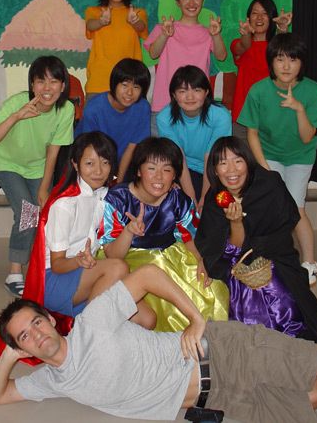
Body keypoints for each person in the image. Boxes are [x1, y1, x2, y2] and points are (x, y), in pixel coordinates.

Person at [0, 265, 317, 422]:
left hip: (221, 351)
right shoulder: (52, 381)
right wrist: (9, 353)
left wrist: (197, 319)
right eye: (25, 337)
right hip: (218, 399)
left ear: (50, 318)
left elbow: (148, 274)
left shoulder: (91, 322)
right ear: (24, 349)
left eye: (37, 322)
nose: (38, 334)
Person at [195, 136, 317, 343]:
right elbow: (216, 244)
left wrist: (253, 241)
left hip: (274, 257)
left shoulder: (269, 185)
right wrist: (235, 224)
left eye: (238, 161)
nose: (232, 170)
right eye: (223, 163)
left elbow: (282, 230)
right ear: (214, 170)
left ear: (248, 163)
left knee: (280, 292)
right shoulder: (216, 198)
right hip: (234, 263)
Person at [21, 131, 155, 330]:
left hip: (86, 273)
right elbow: (57, 265)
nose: (98, 171)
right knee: (117, 268)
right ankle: (87, 333)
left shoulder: (105, 195)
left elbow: (138, 192)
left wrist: (129, 229)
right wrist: (78, 261)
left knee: (147, 319)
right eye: (90, 163)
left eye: (105, 163)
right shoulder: (65, 204)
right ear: (75, 164)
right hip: (54, 281)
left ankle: (94, 323)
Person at [97, 137, 229, 331]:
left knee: (211, 288)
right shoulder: (118, 199)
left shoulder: (178, 200)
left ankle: (205, 338)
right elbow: (112, 255)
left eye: (167, 170)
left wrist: (201, 260)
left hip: (170, 256)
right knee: (163, 290)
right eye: (151, 168)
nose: (159, 177)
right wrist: (129, 231)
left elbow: (188, 238)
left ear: (175, 175)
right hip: (129, 260)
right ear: (139, 171)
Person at [0, 56, 74, 297]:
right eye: (41, 81)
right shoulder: (17, 103)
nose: (47, 88)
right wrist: (16, 116)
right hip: (7, 163)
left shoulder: (66, 109)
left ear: (63, 86)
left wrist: (44, 187)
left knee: (43, 212)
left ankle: (42, 265)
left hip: (38, 168)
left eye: (54, 81)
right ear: (32, 84)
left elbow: (53, 152)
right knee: (28, 212)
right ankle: (14, 273)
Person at [237, 33, 317, 285]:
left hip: (300, 156)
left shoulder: (312, 90)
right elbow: (251, 133)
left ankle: (309, 263)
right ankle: (264, 260)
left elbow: (307, 137)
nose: (286, 66)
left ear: (302, 63)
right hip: (269, 154)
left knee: (295, 207)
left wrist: (299, 109)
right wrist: (264, 167)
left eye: (293, 59)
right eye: (280, 59)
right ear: (271, 62)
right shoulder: (259, 90)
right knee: (270, 207)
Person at [144, 0, 227, 134]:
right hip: (165, 102)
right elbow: (153, 53)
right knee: (162, 149)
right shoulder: (165, 28)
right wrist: (164, 35)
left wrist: (216, 35)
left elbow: (221, 56)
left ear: (202, 0)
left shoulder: (208, 32)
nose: (191, 3)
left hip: (196, 104)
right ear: (177, 2)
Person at [156, 65, 231, 211]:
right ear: (174, 95)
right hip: (183, 169)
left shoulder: (221, 115)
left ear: (206, 92)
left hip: (215, 168)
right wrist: (191, 199)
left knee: (215, 204)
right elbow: (178, 156)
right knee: (178, 204)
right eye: (182, 91)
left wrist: (204, 198)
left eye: (196, 90)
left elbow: (212, 156)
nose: (190, 97)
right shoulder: (164, 118)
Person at [74, 58, 151, 182]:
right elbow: (90, 150)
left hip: (122, 162)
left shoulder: (142, 108)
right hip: (91, 159)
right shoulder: (94, 108)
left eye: (136, 87)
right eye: (124, 85)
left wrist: (117, 182)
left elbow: (131, 148)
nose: (130, 92)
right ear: (114, 84)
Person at [230, 0, 292, 141]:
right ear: (248, 18)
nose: (259, 17)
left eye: (264, 13)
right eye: (255, 13)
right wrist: (246, 34)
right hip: (243, 118)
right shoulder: (238, 44)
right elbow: (244, 46)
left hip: (272, 117)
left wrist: (282, 29)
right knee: (242, 155)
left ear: (272, 18)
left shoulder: (275, 47)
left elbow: (282, 50)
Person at [84, 0, 148, 98]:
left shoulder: (137, 13)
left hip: (129, 82)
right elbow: (90, 25)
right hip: (99, 81)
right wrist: (101, 21)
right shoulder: (94, 11)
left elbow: (141, 27)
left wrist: (134, 21)